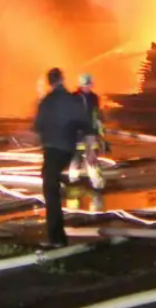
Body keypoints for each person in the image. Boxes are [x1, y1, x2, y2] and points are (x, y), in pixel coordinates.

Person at [33, 67, 95, 248]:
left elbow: (38, 128)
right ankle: (57, 236)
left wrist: (29, 137)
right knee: (52, 179)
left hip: (52, 150)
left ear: (50, 82)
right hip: (67, 149)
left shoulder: (46, 102)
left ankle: (57, 239)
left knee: (49, 186)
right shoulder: (73, 101)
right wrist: (90, 151)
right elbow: (87, 127)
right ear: (62, 79)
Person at [68, 73, 107, 190]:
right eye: (86, 85)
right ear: (81, 85)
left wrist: (100, 130)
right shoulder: (74, 97)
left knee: (92, 156)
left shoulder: (94, 98)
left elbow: (96, 114)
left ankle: (95, 181)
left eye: (89, 85)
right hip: (78, 131)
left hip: (91, 131)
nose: (88, 87)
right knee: (77, 155)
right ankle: (73, 178)